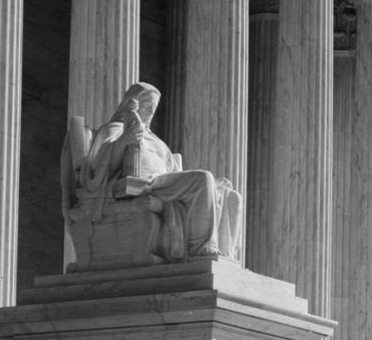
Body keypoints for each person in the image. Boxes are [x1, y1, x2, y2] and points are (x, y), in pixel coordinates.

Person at [69, 82, 242, 262]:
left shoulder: (158, 142)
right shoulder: (115, 129)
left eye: (153, 109)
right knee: (203, 178)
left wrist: (214, 186)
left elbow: (176, 172)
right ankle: (200, 248)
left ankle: (225, 257)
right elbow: (98, 166)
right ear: (132, 104)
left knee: (230, 196)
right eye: (146, 107)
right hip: (141, 185)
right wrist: (124, 141)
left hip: (165, 184)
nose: (150, 113)